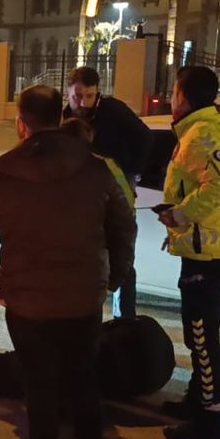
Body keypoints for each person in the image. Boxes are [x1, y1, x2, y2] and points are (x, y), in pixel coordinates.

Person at [0, 85, 136, 439]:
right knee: (84, 380)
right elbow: (124, 228)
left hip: (27, 303)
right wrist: (111, 280)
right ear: (60, 118)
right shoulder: (96, 169)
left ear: (22, 124)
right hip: (83, 299)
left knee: (39, 385)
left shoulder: (4, 176)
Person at [158, 66, 220, 439]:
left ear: (182, 96)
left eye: (174, 92)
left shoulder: (201, 134)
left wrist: (182, 214)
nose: (171, 99)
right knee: (199, 330)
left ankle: (211, 421)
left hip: (210, 251)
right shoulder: (207, 128)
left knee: (201, 335)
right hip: (215, 247)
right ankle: (197, 400)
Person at [63, 66, 151, 319]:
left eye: (89, 96)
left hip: (116, 192)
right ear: (68, 92)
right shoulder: (65, 117)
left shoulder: (112, 110)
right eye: (78, 96)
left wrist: (134, 174)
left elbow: (144, 137)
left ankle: (125, 318)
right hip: (82, 200)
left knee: (121, 256)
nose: (83, 102)